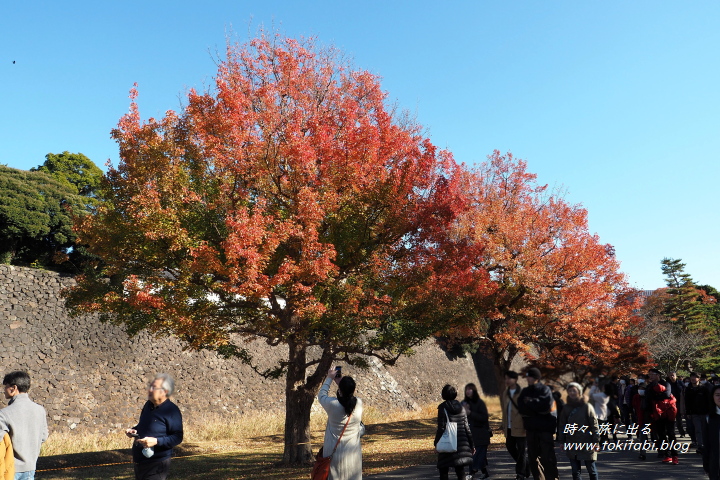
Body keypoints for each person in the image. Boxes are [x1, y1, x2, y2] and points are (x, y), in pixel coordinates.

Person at [125, 373, 183, 480]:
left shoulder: (171, 410)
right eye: (149, 387)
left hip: (156, 464)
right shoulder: (148, 405)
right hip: (140, 462)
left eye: (154, 387)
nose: (149, 390)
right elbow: (143, 426)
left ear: (165, 391)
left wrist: (157, 441)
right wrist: (134, 430)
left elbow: (177, 437)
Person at [0, 371, 48, 480]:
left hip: (10, 469)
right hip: (31, 467)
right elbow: (44, 436)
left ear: (13, 388)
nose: (3, 390)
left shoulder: (4, 414)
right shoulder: (40, 410)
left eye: (5, 386)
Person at [318, 367, 363, 480]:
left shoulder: (333, 404)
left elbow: (322, 395)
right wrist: (341, 384)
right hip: (353, 454)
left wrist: (329, 378)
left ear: (340, 390)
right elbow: (348, 398)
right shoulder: (359, 403)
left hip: (334, 453)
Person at [518, 367, 558, 480]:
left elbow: (545, 406)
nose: (528, 379)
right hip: (531, 429)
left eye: (530, 376)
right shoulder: (525, 391)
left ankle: (552, 478)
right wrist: (535, 407)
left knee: (547, 456)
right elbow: (521, 408)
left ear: (536, 378)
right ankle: (539, 478)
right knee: (533, 457)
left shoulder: (545, 390)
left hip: (545, 428)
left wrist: (530, 402)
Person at [557, 382, 599, 480]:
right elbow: (562, 425)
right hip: (572, 442)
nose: (572, 393)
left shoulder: (587, 406)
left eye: (574, 390)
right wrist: (562, 441)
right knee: (575, 472)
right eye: (570, 391)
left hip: (587, 442)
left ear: (579, 392)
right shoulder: (566, 408)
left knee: (591, 470)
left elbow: (594, 425)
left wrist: (596, 441)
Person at [434, 385, 474, 480]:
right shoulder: (462, 408)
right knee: (460, 469)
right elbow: (467, 428)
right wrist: (472, 445)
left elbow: (441, 428)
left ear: (443, 395)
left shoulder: (443, 408)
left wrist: (436, 443)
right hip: (461, 443)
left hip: (447, 441)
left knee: (443, 470)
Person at [644, 368, 678, 465]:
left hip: (668, 412)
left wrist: (655, 396)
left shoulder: (666, 383)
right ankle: (667, 455)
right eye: (649, 374)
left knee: (671, 434)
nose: (650, 376)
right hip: (656, 413)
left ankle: (674, 455)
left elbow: (667, 394)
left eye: (652, 374)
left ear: (658, 375)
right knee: (661, 435)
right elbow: (647, 398)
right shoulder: (649, 386)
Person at [501, 371, 529, 480]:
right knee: (510, 447)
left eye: (509, 378)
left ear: (515, 379)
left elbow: (526, 411)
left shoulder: (522, 393)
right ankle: (526, 466)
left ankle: (520, 474)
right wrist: (503, 424)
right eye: (506, 378)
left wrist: (526, 426)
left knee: (521, 451)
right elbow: (504, 409)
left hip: (520, 426)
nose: (507, 381)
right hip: (508, 427)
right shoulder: (505, 393)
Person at [462, 383, 491, 479]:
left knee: (477, 453)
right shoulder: (463, 403)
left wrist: (470, 413)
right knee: (474, 453)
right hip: (469, 434)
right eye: (467, 389)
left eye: (470, 389)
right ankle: (484, 472)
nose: (468, 391)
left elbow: (484, 418)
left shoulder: (479, 403)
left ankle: (472, 472)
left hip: (480, 433)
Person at [686, 372, 710, 454]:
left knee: (705, 429)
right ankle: (701, 445)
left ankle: (706, 445)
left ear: (698, 379)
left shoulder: (704, 388)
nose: (693, 379)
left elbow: (708, 400)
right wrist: (687, 412)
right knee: (698, 429)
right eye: (692, 377)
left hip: (704, 412)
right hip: (694, 413)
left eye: (695, 377)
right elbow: (687, 401)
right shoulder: (688, 389)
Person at [703, 384, 720, 480]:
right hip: (716, 464)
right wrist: (706, 465)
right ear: (712, 397)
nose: (719, 397)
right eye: (717, 395)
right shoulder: (709, 418)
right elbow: (706, 443)